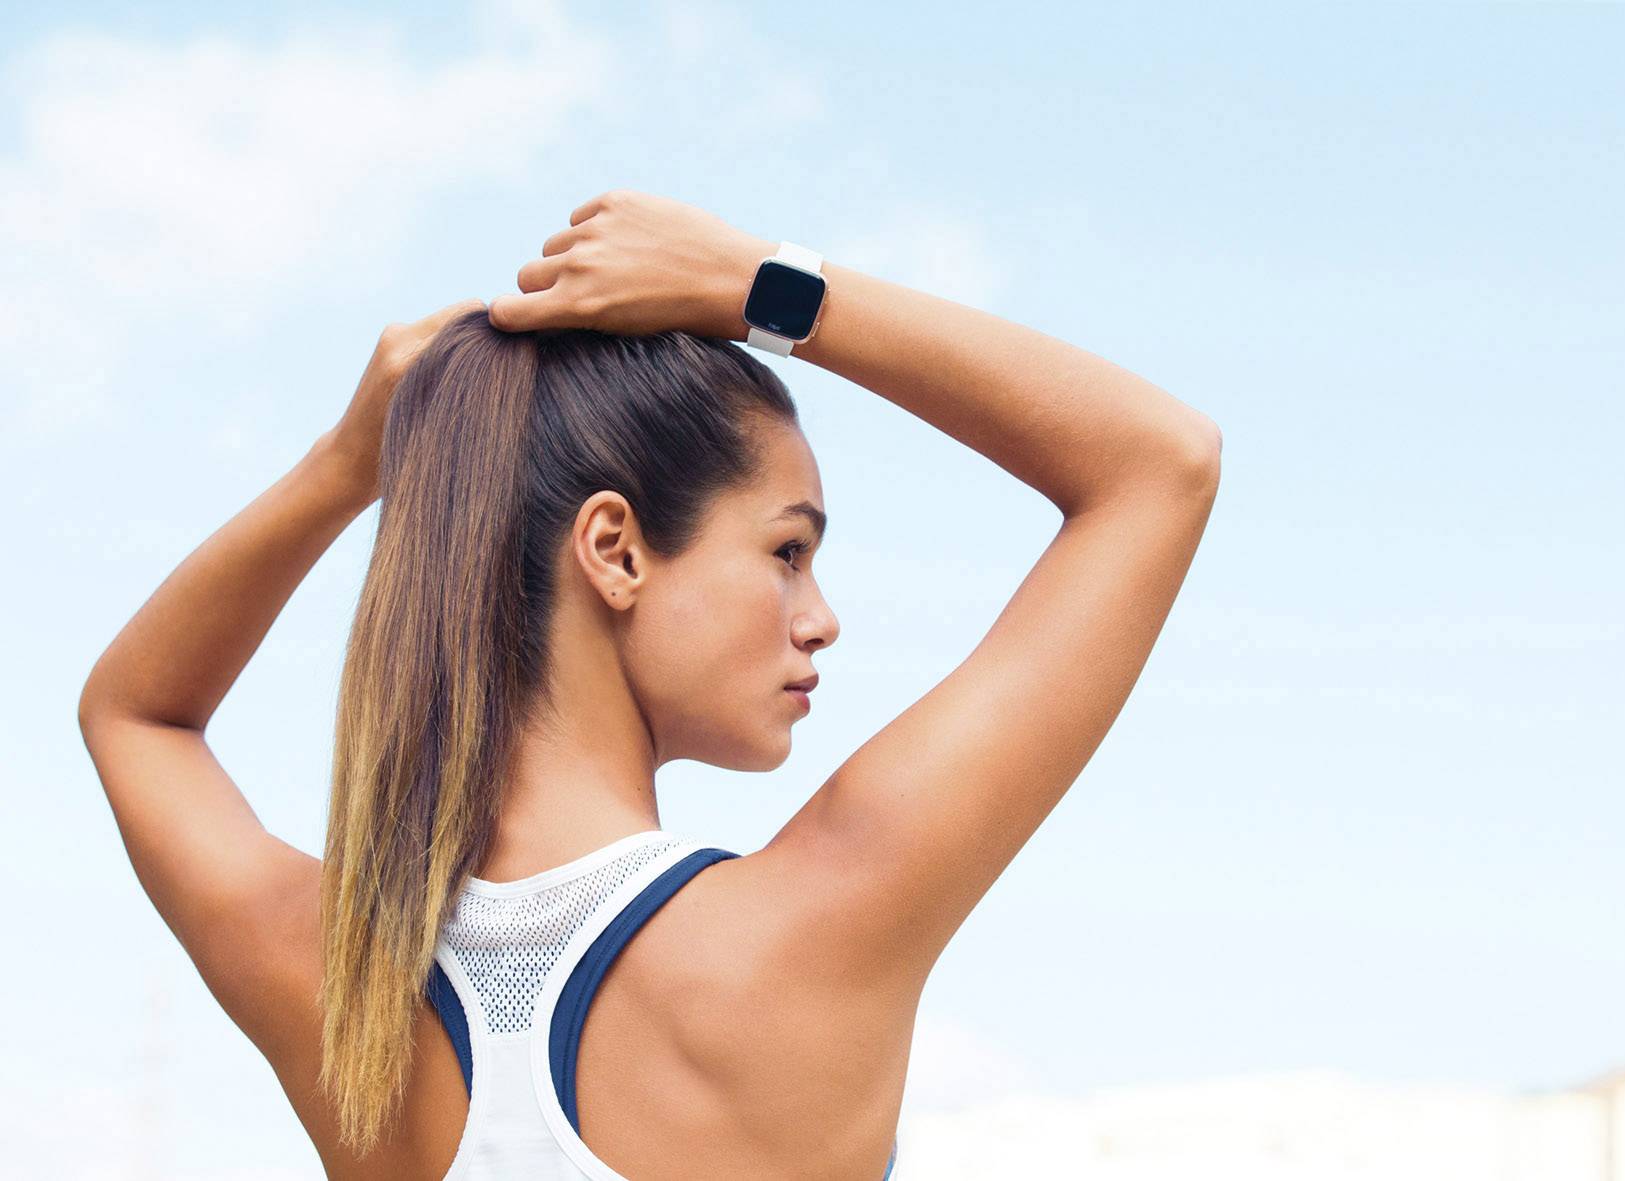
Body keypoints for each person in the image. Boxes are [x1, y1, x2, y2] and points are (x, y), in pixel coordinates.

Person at [76, 188, 1222, 1178]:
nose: (818, 617)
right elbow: (1156, 463)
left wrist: (346, 464)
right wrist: (758, 286)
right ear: (615, 549)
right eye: (785, 550)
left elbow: (135, 714)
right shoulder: (812, 925)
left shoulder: (333, 982)